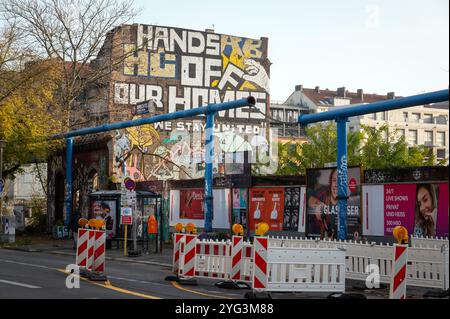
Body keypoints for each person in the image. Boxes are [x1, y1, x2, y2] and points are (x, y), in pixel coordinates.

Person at [307, 168, 338, 239]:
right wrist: (318, 204)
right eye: (334, 180)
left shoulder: (348, 202)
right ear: (330, 182)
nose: (336, 185)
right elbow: (309, 196)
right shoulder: (322, 192)